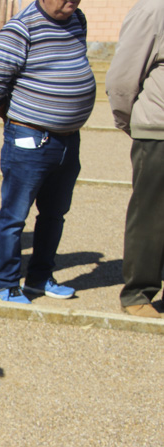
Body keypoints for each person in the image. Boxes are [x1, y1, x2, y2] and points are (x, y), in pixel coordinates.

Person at [0, 0, 95, 304]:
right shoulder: (20, 29)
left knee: (55, 214)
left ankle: (40, 279)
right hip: (30, 139)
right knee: (15, 215)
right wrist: (25, 120)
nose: (73, 1)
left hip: (68, 140)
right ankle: (6, 284)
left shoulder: (77, 20)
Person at [105, 0, 164, 319]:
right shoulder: (153, 11)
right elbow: (123, 78)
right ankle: (138, 293)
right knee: (152, 216)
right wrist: (130, 122)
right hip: (159, 130)